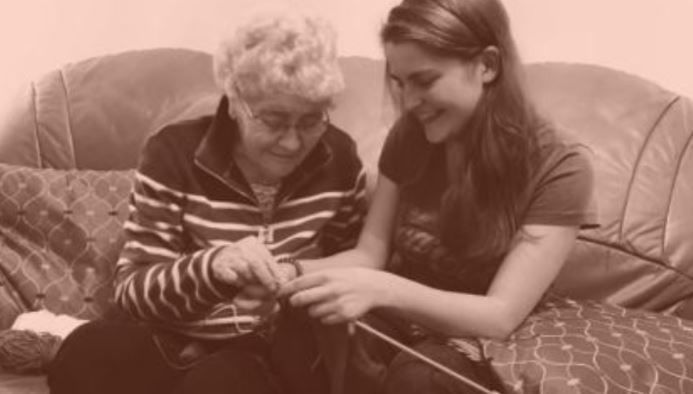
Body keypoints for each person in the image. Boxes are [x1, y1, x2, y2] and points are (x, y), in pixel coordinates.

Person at [279, 0, 597, 392]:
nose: (410, 101)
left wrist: (381, 288)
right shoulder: (409, 137)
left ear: (487, 65)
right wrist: (286, 273)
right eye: (400, 82)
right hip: (400, 319)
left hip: (482, 340)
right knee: (302, 317)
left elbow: (500, 315)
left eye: (425, 80)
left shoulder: (561, 166)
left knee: (421, 380)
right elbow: (369, 255)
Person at [47, 9, 367, 394]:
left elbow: (353, 267)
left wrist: (293, 279)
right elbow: (133, 290)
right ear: (234, 102)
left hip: (270, 355)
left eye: (311, 120)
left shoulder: (341, 158)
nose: (293, 142)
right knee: (84, 353)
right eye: (273, 120)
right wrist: (213, 268)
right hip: (172, 339)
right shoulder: (172, 154)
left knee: (221, 382)